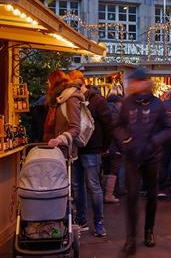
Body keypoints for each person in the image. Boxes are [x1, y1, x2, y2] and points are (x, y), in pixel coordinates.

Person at [113, 68, 171, 257]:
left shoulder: (159, 105)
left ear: (144, 83)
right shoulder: (127, 103)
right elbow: (118, 125)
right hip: (132, 156)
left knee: (151, 195)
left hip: (151, 157)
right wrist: (124, 140)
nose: (131, 85)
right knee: (131, 196)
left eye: (134, 81)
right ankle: (130, 238)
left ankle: (149, 230)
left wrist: (153, 142)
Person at [73, 77, 113, 237]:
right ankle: (82, 220)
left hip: (92, 149)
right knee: (78, 186)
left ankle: (98, 222)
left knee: (92, 186)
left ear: (81, 85)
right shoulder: (73, 101)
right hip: (77, 149)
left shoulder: (97, 101)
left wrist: (104, 146)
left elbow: (109, 124)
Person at [43, 71, 84, 160]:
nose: (48, 86)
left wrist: (60, 139)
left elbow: (75, 128)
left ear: (53, 83)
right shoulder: (58, 99)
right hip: (57, 150)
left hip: (66, 151)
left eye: (49, 83)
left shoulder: (70, 98)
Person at [103, 93, 123, 204]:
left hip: (104, 146)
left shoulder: (104, 111)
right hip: (114, 147)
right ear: (116, 103)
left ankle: (105, 193)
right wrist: (122, 148)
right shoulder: (116, 114)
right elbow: (118, 134)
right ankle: (109, 195)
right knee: (113, 170)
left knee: (106, 169)